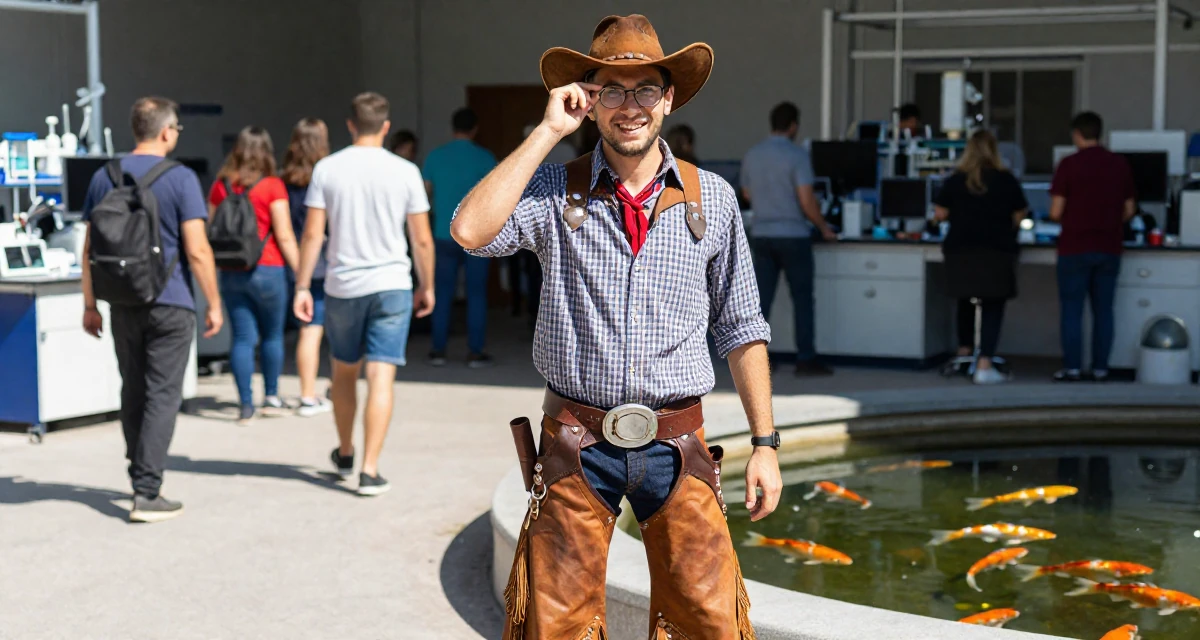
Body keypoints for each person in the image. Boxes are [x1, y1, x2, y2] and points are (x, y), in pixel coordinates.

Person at [452, 14, 779, 639]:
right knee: (556, 627)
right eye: (611, 89)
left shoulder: (711, 197)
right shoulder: (553, 190)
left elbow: (741, 325)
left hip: (679, 447)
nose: (630, 106)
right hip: (577, 444)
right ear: (587, 98)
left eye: (645, 89)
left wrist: (766, 445)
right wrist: (548, 132)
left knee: (710, 624)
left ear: (669, 98)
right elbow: (469, 232)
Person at [80, 96, 223, 523]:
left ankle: (137, 471)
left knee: (133, 388)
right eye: (176, 128)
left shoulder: (104, 176)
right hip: (171, 302)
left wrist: (90, 304)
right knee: (163, 394)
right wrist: (214, 302)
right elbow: (197, 249)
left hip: (122, 301)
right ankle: (147, 491)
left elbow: (88, 249)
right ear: (165, 131)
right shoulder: (180, 179)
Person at [293, 92, 435, 496]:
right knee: (381, 376)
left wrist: (303, 285)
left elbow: (312, 234)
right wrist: (428, 286)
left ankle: (345, 450)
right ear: (386, 127)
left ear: (351, 124)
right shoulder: (405, 170)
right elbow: (421, 240)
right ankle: (370, 470)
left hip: (342, 286)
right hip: (392, 284)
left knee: (343, 372)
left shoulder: (327, 168)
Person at [209, 127, 300, 425]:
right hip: (269, 267)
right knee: (272, 335)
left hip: (232, 270)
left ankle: (245, 405)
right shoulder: (272, 185)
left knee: (243, 338)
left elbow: (212, 229)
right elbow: (284, 234)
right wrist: (302, 274)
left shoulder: (221, 185)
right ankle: (271, 397)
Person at [742, 101, 837, 376]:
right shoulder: (797, 156)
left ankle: (754, 360)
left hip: (761, 235)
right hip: (794, 235)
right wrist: (824, 227)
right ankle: (806, 359)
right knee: (803, 299)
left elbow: (747, 194)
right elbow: (806, 200)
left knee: (760, 304)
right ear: (793, 125)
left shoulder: (753, 154)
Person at [933, 130, 1028, 385]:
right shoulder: (1006, 180)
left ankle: (964, 353)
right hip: (996, 251)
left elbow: (940, 213)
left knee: (965, 298)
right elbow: (1020, 213)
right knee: (992, 304)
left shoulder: (955, 180)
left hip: (960, 252)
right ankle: (984, 364)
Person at [1049, 111, 1136, 382]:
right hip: (1109, 246)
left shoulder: (1068, 164)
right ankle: (1100, 368)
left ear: (1076, 134)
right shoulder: (1119, 164)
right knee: (1104, 311)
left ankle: (1073, 368)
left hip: (1075, 246)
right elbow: (1130, 209)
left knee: (1072, 311)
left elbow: (1055, 211)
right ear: (1100, 133)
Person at [422, 108, 498, 367]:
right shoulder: (485, 157)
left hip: (443, 234)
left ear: (452, 127)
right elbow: (496, 198)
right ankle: (475, 352)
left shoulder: (435, 157)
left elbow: (425, 196)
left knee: (442, 292)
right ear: (474, 129)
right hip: (477, 236)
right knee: (476, 294)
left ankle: (438, 351)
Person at [281, 118, 332, 416]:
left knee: (308, 330)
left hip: (296, 262)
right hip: (327, 262)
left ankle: (307, 392)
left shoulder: (283, 179)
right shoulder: (328, 176)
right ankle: (316, 394)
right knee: (332, 333)